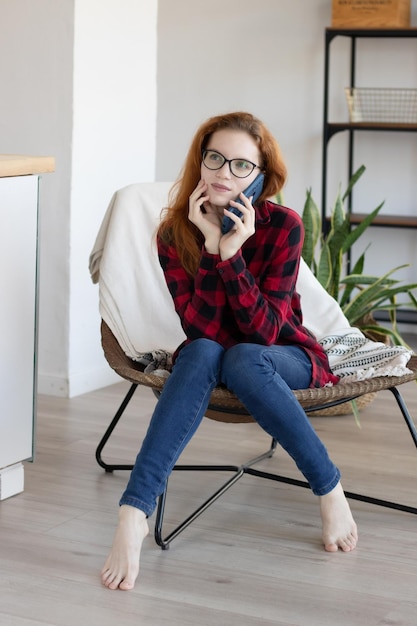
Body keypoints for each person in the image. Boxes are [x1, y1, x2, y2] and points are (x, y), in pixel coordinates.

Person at [101, 111, 358, 591]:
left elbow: (261, 333)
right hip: (217, 354)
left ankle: (328, 486)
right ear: (201, 161)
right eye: (215, 158)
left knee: (241, 355)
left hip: (286, 357)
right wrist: (209, 242)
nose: (224, 173)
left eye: (242, 165)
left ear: (261, 177)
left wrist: (231, 254)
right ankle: (134, 513)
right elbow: (202, 329)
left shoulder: (283, 227)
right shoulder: (174, 234)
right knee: (199, 351)